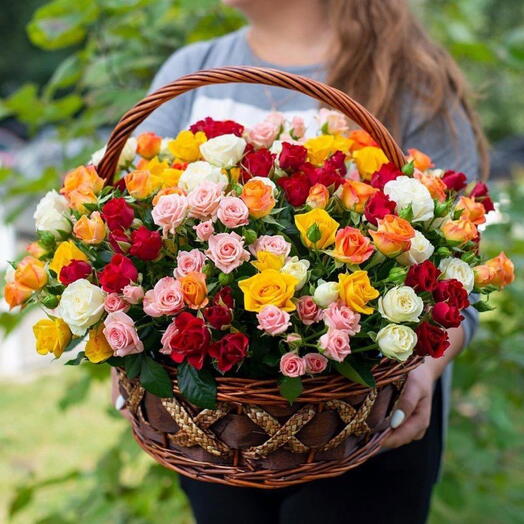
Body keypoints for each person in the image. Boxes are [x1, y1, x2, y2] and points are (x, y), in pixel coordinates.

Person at [128, 1, 487, 522]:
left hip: (367, 429)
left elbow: (461, 278)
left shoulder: (412, 78)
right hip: (211, 435)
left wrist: (424, 375)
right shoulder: (192, 71)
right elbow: (123, 233)